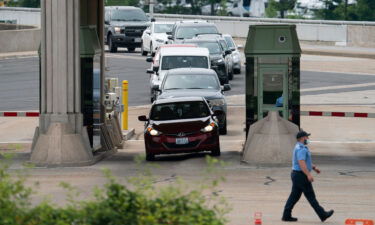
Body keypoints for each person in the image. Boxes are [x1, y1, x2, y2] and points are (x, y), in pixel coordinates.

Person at [282, 130, 334, 222]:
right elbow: (301, 163)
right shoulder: (301, 149)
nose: (308, 138)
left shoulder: (299, 147)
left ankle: (286, 215)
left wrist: (313, 167)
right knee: (310, 196)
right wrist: (308, 174)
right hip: (301, 176)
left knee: (294, 196)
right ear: (302, 138)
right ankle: (323, 214)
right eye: (307, 137)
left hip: (297, 175)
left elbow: (306, 162)